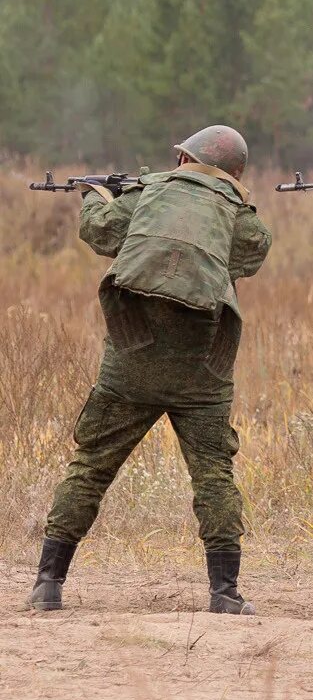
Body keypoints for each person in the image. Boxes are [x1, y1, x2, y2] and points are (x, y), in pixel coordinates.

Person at [29, 126, 272, 615]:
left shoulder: (149, 192)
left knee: (92, 465)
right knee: (213, 477)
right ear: (233, 173)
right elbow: (251, 253)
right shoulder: (235, 211)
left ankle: (47, 584)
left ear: (184, 158)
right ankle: (225, 593)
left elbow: (99, 232)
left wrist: (98, 195)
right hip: (202, 369)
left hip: (131, 357)